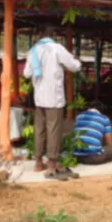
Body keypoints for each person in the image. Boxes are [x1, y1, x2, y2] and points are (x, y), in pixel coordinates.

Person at [23, 26, 82, 180]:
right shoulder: (57, 48)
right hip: (54, 98)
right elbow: (74, 66)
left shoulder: (33, 51)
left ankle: (37, 162)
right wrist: (76, 60)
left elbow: (26, 73)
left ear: (41, 35)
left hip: (39, 98)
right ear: (52, 35)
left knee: (40, 129)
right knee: (54, 129)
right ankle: (51, 164)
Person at [73, 101, 112, 165]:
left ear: (89, 108)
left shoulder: (79, 116)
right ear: (100, 110)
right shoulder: (104, 118)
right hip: (93, 158)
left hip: (76, 156)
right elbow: (108, 141)